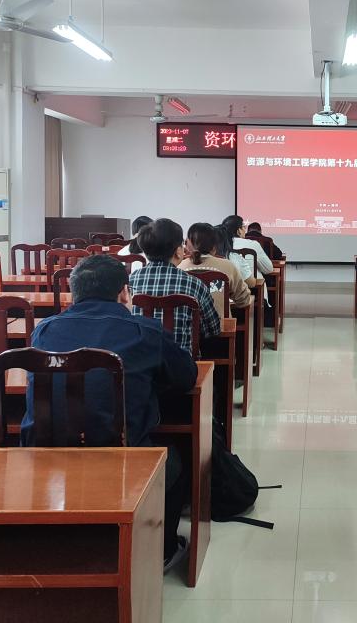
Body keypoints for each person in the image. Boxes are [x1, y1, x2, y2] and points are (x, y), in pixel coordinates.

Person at [24, 254, 196, 571]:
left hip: (47, 456)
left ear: (73, 293)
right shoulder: (145, 331)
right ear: (124, 293)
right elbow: (186, 377)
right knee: (176, 457)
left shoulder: (44, 330)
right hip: (121, 459)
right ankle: (162, 549)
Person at [128, 218, 221, 355]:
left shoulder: (129, 282)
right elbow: (213, 329)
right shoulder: (194, 285)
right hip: (180, 363)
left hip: (139, 362)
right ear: (178, 251)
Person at [178, 222, 252, 313]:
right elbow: (244, 300)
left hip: (187, 322)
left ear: (188, 245)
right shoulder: (228, 266)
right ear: (214, 246)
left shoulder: (180, 267)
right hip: (220, 321)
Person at [222, 214, 273, 279]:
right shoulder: (253, 244)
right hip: (252, 284)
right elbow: (269, 269)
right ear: (239, 231)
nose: (245, 230)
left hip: (227, 284)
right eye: (244, 227)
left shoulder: (219, 245)